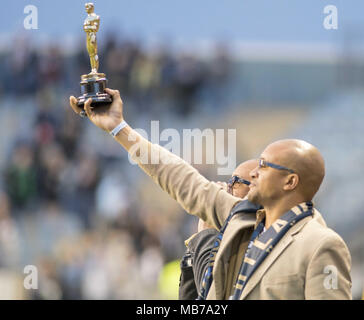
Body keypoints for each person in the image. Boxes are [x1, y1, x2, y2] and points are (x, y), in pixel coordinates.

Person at [69, 89, 352, 299]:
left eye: (263, 166)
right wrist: (119, 128)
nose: (254, 171)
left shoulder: (321, 244)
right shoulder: (241, 218)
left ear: (290, 181)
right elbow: (180, 177)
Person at [179, 160, 256, 300]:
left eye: (235, 182)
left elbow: (211, 295)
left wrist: (206, 235)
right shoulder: (224, 237)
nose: (226, 189)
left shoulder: (253, 241)